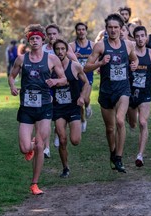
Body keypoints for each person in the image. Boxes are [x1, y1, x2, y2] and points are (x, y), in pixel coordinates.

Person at [8, 24, 67, 195]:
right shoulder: (21, 59)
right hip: (26, 107)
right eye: (32, 38)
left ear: (43, 40)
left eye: (38, 38)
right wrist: (12, 87)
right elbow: (11, 76)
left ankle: (34, 183)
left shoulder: (52, 59)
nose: (35, 41)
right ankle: (30, 146)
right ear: (28, 40)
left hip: (44, 107)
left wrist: (55, 82)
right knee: (25, 148)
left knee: (41, 144)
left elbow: (63, 79)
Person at [84, 13, 138, 173]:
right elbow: (86, 67)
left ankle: (119, 158)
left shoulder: (128, 45)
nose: (113, 30)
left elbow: (135, 59)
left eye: (116, 27)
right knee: (109, 128)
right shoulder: (100, 46)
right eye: (110, 27)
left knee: (120, 121)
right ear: (106, 29)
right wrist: (100, 63)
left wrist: (134, 65)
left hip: (123, 89)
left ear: (121, 29)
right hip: (106, 91)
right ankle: (113, 153)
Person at [52, 39, 90, 177]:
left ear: (67, 51)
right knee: (62, 139)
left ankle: (79, 125)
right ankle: (65, 168)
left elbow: (86, 83)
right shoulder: (50, 67)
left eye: (63, 49)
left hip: (73, 107)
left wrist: (82, 97)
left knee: (75, 141)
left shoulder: (75, 66)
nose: (60, 51)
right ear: (54, 51)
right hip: (58, 108)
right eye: (58, 49)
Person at [128, 26, 151, 167]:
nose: (140, 38)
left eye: (143, 36)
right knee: (133, 124)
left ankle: (140, 155)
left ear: (146, 38)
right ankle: (129, 118)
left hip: (145, 94)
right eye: (137, 36)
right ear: (134, 38)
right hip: (130, 94)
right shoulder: (130, 53)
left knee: (143, 123)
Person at [42, 23, 79, 157]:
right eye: (49, 34)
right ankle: (46, 148)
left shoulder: (64, 47)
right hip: (48, 85)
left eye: (54, 34)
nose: (52, 36)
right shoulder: (43, 48)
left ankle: (58, 132)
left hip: (64, 86)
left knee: (57, 114)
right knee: (45, 116)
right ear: (46, 36)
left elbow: (76, 65)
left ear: (58, 35)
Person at [69, 22, 95, 133]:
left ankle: (88, 106)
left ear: (86, 31)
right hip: (76, 76)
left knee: (85, 98)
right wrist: (74, 56)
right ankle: (83, 120)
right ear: (76, 31)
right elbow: (66, 60)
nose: (81, 31)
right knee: (79, 101)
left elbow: (97, 57)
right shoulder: (72, 46)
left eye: (83, 29)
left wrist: (97, 65)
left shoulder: (92, 45)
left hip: (88, 75)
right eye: (78, 29)